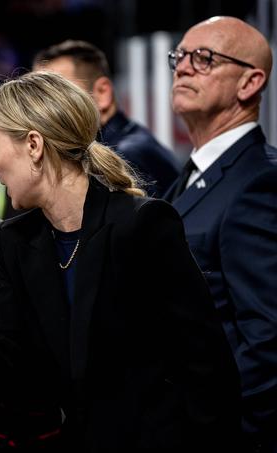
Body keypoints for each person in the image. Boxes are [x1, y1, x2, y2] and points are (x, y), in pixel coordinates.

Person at [0, 71, 242, 452]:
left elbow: (207, 372)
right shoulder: (17, 241)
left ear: (33, 145)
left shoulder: (142, 225)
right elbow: (4, 369)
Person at [164, 16, 277, 453]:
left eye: (204, 58)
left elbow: (268, 341)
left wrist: (209, 426)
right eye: (181, 56)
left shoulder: (259, 184)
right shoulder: (192, 176)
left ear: (250, 82)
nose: (184, 67)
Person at [33, 40, 180, 198]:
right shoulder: (120, 147)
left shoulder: (125, 156)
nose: (41, 109)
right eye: (37, 97)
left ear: (102, 93)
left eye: (56, 93)